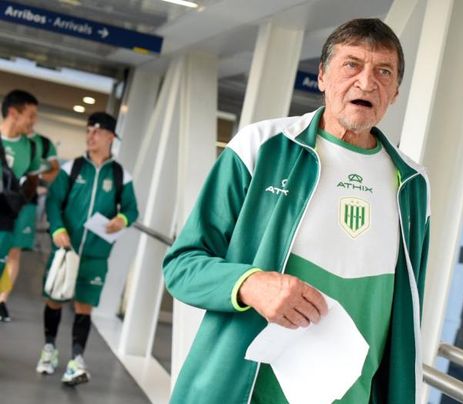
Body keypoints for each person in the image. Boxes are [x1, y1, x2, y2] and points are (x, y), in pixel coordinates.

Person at [163, 18, 430, 403]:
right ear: (322, 76)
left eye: (383, 71)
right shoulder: (261, 147)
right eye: (352, 65)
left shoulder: (413, 184)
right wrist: (250, 284)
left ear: (396, 92)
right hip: (244, 392)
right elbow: (182, 265)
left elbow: (406, 314)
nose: (367, 82)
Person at [36, 112, 139, 386]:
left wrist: (122, 219)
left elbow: (132, 209)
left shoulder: (121, 176)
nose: (90, 136)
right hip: (65, 251)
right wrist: (57, 229)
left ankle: (77, 360)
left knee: (84, 307)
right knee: (54, 299)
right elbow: (54, 202)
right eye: (88, 130)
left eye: (97, 131)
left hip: (96, 255)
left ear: (110, 137)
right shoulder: (72, 168)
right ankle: (49, 348)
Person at [0, 89, 42, 322]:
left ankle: (1, 300)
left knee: (9, 256)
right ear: (14, 113)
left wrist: (18, 203)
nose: (33, 121)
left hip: (10, 214)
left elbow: (33, 180)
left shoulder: (32, 147)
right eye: (31, 115)